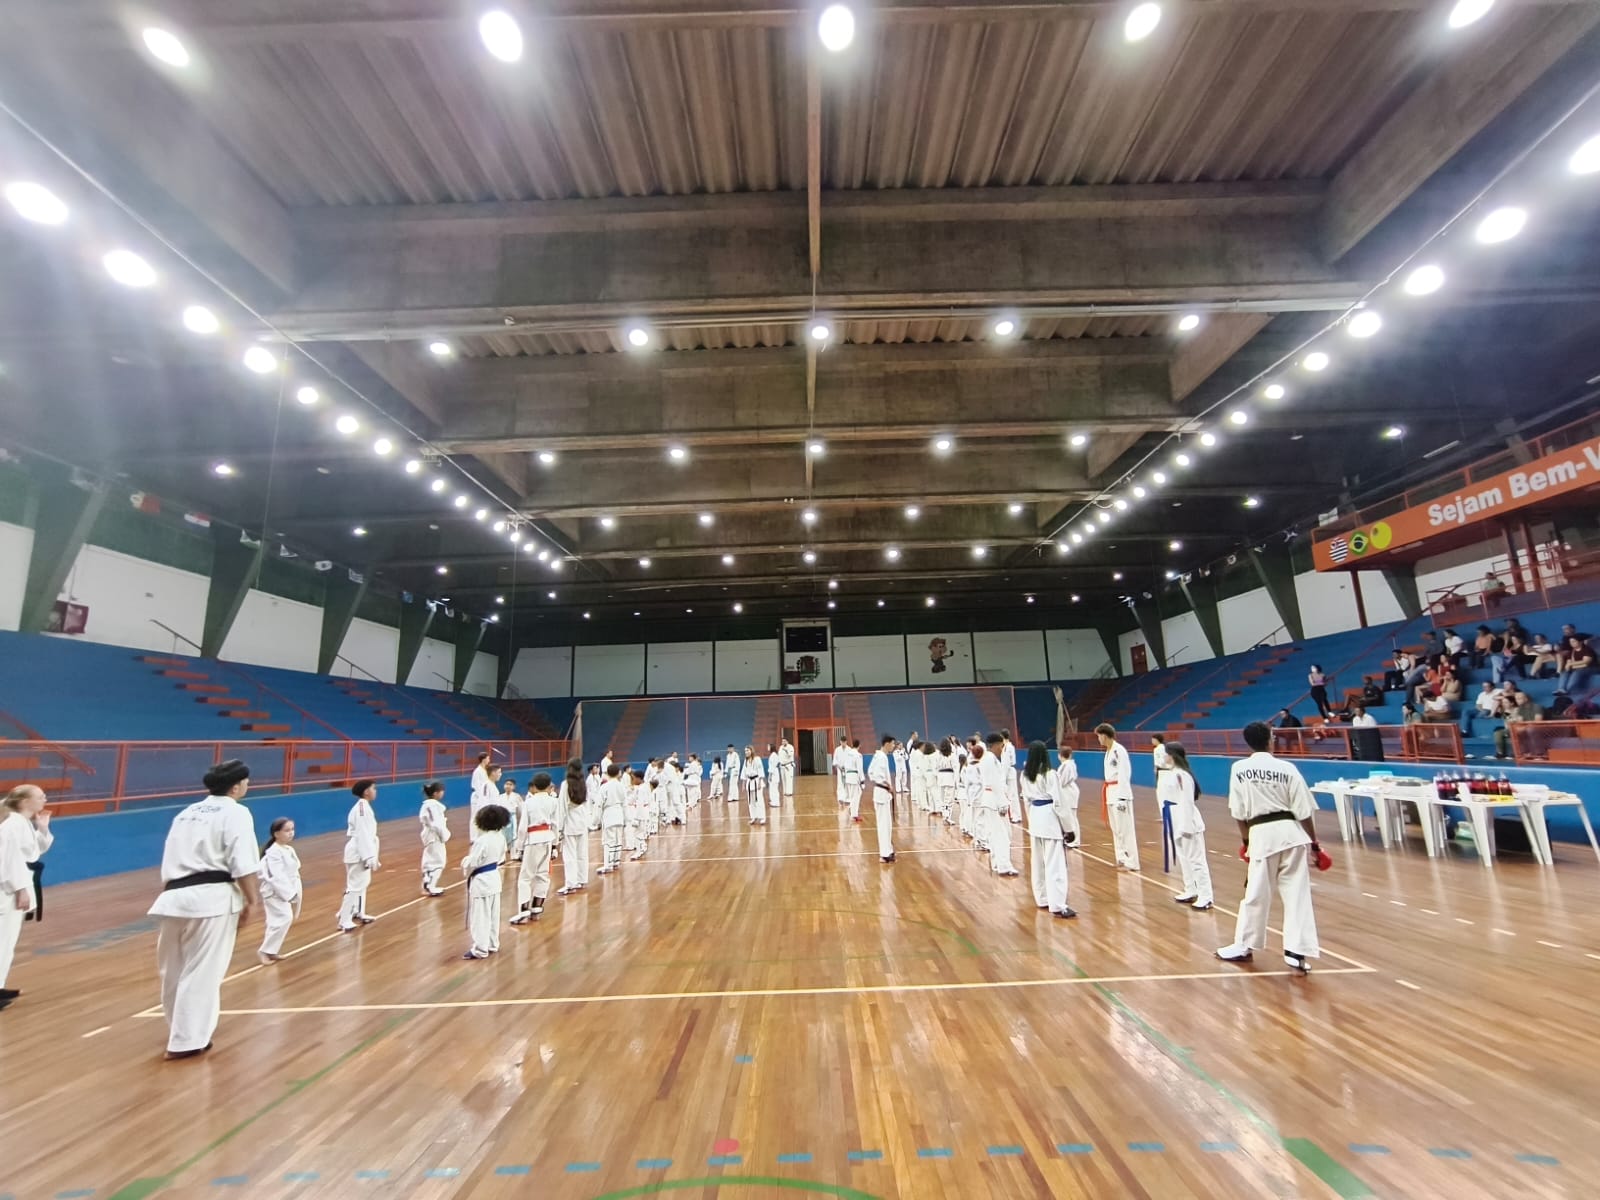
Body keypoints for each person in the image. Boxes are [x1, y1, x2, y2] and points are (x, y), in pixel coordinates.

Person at [147, 760, 261, 1059]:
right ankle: (186, 1040)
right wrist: (252, 900)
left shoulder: (186, 813)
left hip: (173, 897)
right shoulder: (236, 812)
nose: (248, 785)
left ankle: (180, 1031)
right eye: (246, 781)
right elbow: (243, 862)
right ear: (235, 787)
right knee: (202, 971)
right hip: (212, 899)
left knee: (173, 971)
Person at [1215, 722, 1325, 973]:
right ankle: (1296, 952)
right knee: (1297, 895)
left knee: (1256, 893)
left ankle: (1244, 945)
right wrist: (1315, 844)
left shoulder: (1239, 769)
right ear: (1270, 739)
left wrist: (1246, 842)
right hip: (1292, 835)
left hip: (1262, 836)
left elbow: (1238, 812)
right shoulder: (1287, 768)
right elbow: (1304, 811)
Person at [0, 785, 49, 1009]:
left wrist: (42, 829)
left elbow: (34, 851)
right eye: (40, 796)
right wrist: (20, 889)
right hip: (7, 890)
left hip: (14, 886)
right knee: (3, 941)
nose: (44, 799)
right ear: (25, 801)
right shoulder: (12, 824)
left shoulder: (22, 822)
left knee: (7, 942)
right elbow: (7, 860)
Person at [1021, 742, 1074, 917]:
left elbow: (1026, 800)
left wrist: (1031, 821)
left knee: (1037, 862)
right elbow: (1059, 803)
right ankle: (1057, 904)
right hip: (1049, 817)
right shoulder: (1050, 774)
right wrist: (1068, 828)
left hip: (1035, 815)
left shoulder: (1025, 775)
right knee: (1055, 863)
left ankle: (1042, 898)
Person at [1159, 743, 1212, 910]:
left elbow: (1187, 801)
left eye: (1166, 754)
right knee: (1183, 858)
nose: (1164, 757)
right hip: (1174, 819)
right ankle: (1191, 889)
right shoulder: (1172, 773)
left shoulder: (1183, 775)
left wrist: (1186, 826)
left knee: (1196, 860)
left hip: (1187, 822)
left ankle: (1206, 896)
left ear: (1172, 755)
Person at [460, 803, 510, 959]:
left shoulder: (482, 841)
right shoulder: (500, 837)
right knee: (494, 915)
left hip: (482, 881)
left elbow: (474, 862)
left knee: (480, 916)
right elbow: (501, 856)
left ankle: (480, 949)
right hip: (494, 877)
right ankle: (492, 944)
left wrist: (465, 863)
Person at [511, 772, 558, 923]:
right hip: (548, 839)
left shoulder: (529, 802)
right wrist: (555, 845)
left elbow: (522, 828)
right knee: (543, 875)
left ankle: (524, 911)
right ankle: (537, 910)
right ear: (549, 785)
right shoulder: (553, 801)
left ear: (534, 787)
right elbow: (556, 824)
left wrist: (519, 848)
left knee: (525, 877)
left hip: (533, 840)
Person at [256, 817, 301, 964]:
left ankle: (271, 951)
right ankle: (264, 951)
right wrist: (289, 894)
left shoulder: (288, 849)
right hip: (274, 892)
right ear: (276, 834)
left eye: (292, 829)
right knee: (284, 918)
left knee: (276, 920)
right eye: (287, 830)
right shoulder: (273, 852)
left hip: (283, 891)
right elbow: (276, 876)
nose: (291, 833)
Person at [337, 781, 380, 932]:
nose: (375, 791)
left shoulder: (364, 807)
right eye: (373, 788)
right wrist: (368, 856)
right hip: (358, 852)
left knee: (362, 884)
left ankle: (358, 912)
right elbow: (363, 834)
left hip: (361, 850)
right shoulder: (362, 809)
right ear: (366, 791)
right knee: (355, 886)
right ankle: (344, 919)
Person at [1096, 723, 1139, 871]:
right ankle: (1121, 858)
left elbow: (1124, 774)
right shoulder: (1108, 751)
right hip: (1110, 792)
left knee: (1125, 829)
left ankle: (1133, 862)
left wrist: (1122, 798)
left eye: (1099, 736)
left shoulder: (1119, 751)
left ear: (1104, 736)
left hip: (1120, 792)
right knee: (1116, 829)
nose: (1098, 739)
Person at [980, 733, 1018, 875]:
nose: (1002, 749)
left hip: (990, 799)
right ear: (995, 745)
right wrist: (1002, 803)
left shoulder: (987, 758)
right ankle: (1004, 866)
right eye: (1001, 746)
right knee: (1002, 835)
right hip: (994, 800)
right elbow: (995, 783)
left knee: (995, 834)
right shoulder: (990, 759)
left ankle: (997, 863)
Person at [557, 759, 590, 896]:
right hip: (582, 821)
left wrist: (559, 828)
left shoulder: (566, 784)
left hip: (570, 822)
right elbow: (587, 803)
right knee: (582, 853)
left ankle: (571, 884)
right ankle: (582, 879)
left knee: (569, 855)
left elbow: (562, 807)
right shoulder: (583, 783)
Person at [867, 735, 897, 863]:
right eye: (893, 744)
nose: (893, 746)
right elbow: (877, 775)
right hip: (882, 792)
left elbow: (870, 772)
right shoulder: (881, 757)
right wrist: (888, 785)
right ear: (887, 744)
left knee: (886, 824)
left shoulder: (878, 756)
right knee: (884, 825)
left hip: (881, 792)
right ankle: (884, 854)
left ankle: (888, 850)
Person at [418, 781, 450, 897]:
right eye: (441, 791)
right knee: (438, 861)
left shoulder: (432, 805)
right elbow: (436, 824)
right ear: (435, 793)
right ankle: (429, 886)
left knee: (432, 859)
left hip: (433, 836)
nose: (443, 793)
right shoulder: (431, 806)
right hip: (434, 837)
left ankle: (428, 883)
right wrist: (445, 835)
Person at [1495, 690, 1544, 759]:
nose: (1517, 700)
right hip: (1527, 727)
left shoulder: (1536, 707)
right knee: (1517, 731)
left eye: (1519, 698)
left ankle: (1539, 755)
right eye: (1516, 699)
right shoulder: (1521, 709)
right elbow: (1520, 722)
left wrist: (1522, 726)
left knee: (1530, 730)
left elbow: (1537, 722)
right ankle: (1522, 753)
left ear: (1526, 699)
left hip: (1540, 728)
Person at [596, 764, 627, 875]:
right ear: (619, 773)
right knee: (618, 840)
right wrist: (626, 818)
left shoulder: (604, 787)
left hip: (609, 814)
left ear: (607, 773)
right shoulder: (622, 786)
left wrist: (596, 820)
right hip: (619, 814)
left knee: (608, 841)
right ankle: (615, 862)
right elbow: (625, 803)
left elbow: (599, 804)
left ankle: (607, 865)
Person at [470, 762, 502, 841]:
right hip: (488, 820)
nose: (500, 774)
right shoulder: (487, 785)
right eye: (499, 772)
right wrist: (488, 819)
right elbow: (484, 803)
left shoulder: (491, 785)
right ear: (493, 773)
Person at [935, 737, 959, 826]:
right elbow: (956, 768)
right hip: (949, 777)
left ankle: (945, 816)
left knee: (942, 798)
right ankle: (947, 817)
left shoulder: (938, 755)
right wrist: (957, 781)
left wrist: (937, 776)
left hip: (941, 777)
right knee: (949, 799)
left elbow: (935, 767)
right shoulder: (952, 755)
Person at [741, 744, 767, 825]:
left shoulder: (757, 759)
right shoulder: (746, 761)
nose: (746, 752)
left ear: (751, 751)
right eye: (745, 751)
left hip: (756, 781)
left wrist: (759, 782)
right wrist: (743, 783)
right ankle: (753, 817)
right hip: (749, 782)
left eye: (747, 750)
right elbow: (744, 772)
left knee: (759, 800)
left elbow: (760, 770)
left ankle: (762, 817)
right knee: (751, 801)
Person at [840, 737, 864, 822]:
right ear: (859, 745)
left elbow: (844, 766)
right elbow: (860, 769)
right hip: (854, 776)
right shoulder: (858, 755)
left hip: (848, 777)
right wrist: (862, 781)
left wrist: (845, 776)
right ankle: (854, 814)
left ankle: (852, 809)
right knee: (855, 796)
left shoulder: (848, 754)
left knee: (854, 795)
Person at [501, 776, 524, 860]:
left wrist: (521, 819)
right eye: (506, 784)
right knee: (502, 836)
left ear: (513, 787)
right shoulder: (500, 797)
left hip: (512, 817)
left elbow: (521, 809)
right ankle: (502, 856)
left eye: (510, 784)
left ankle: (513, 854)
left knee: (514, 836)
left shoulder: (517, 796)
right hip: (502, 818)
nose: (508, 786)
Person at [831, 734, 851, 806]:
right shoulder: (837, 750)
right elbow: (835, 760)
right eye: (842, 742)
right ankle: (840, 798)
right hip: (839, 769)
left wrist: (846, 767)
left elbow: (851, 760)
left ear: (846, 742)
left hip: (847, 769)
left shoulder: (849, 750)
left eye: (844, 742)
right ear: (840, 742)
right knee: (840, 784)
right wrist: (839, 767)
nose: (843, 743)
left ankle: (847, 799)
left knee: (847, 783)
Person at [765, 744, 782, 811]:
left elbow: (772, 766)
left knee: (774, 788)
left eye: (768, 746)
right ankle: (774, 801)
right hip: (774, 772)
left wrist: (770, 776)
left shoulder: (773, 755)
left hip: (773, 773)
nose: (767, 748)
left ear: (771, 747)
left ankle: (775, 802)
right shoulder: (774, 755)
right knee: (773, 788)